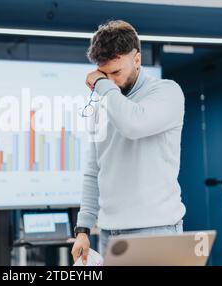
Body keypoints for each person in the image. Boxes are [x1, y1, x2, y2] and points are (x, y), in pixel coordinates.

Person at [71, 20, 186, 264]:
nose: (110, 81)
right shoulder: (104, 104)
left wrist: (101, 84)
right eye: (104, 73)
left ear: (136, 59)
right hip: (109, 234)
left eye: (116, 72)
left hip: (156, 232)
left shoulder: (167, 92)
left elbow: (133, 124)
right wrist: (83, 229)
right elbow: (94, 171)